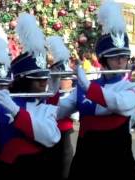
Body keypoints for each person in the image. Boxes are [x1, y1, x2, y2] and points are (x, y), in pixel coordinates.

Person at [57, 1, 135, 179]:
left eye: (124, 57)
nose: (121, 62)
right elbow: (58, 111)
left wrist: (89, 88)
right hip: (86, 164)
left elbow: (120, 103)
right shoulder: (84, 87)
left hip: (118, 165)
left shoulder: (132, 87)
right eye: (115, 57)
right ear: (104, 60)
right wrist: (51, 87)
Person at [0, 13, 61, 177]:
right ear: (23, 80)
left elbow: (50, 137)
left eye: (45, 78)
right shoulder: (0, 104)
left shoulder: (46, 107)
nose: (44, 83)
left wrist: (17, 113)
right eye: (37, 79)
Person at [47, 36, 74, 180]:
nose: (68, 80)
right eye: (64, 77)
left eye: (67, 77)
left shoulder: (71, 95)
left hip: (63, 132)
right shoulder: (47, 86)